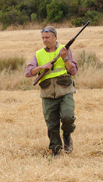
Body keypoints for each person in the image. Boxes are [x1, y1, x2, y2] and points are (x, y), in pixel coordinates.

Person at [25, 26, 78, 157]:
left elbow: (74, 71)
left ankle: (66, 134)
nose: (45, 40)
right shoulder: (39, 54)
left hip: (65, 91)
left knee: (68, 117)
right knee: (51, 124)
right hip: (48, 94)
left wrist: (65, 58)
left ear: (55, 37)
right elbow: (28, 73)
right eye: (43, 38)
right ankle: (55, 150)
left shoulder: (65, 50)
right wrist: (43, 66)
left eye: (47, 37)